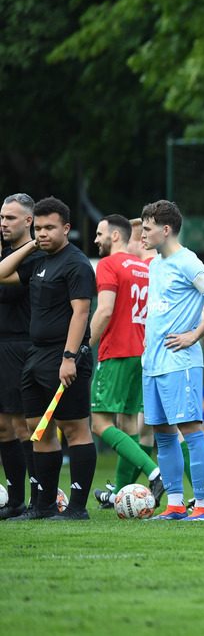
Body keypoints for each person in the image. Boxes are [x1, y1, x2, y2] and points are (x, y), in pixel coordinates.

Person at [0, 197, 96, 521]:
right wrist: (30, 246)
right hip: (35, 356)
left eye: (49, 228)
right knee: (38, 430)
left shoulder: (77, 263)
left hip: (64, 356)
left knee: (75, 430)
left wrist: (69, 358)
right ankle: (44, 506)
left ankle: (78, 509)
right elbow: (1, 273)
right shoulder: (39, 261)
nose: (43, 233)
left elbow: (81, 313)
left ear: (66, 228)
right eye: (38, 227)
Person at [123, 218, 204, 511]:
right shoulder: (155, 264)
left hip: (180, 364)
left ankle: (203, 506)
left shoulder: (188, 261)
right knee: (163, 434)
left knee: (191, 431)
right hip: (153, 364)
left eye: (147, 229)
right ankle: (176, 505)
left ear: (166, 230)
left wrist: (195, 335)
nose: (142, 235)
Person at [88, 214, 165, 509]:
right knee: (129, 422)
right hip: (141, 353)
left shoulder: (109, 264)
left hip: (116, 352)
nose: (96, 239)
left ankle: (154, 473)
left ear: (115, 236)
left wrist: (83, 346)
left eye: (99, 233)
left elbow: (104, 311)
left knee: (100, 424)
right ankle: (121, 492)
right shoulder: (144, 268)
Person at [0, 193, 43, 519]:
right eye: (1, 218)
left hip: (20, 346)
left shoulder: (33, 257)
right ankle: (14, 501)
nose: (3, 223)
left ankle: (36, 498)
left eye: (10, 218)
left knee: (24, 424)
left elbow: (6, 289)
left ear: (28, 221)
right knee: (2, 427)